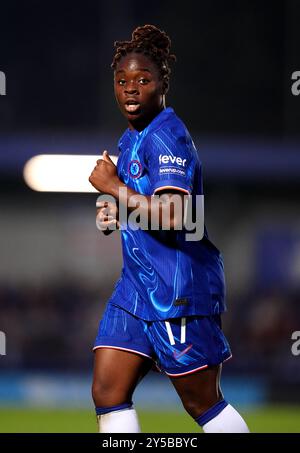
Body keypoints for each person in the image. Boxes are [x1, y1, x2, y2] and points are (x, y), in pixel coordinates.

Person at [89, 24, 249, 433]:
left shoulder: (167, 138)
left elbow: (176, 214)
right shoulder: (130, 140)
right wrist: (111, 211)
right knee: (108, 390)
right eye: (122, 80)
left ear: (163, 84)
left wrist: (113, 187)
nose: (130, 89)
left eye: (143, 80)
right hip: (136, 289)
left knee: (201, 402)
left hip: (178, 289)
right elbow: (135, 205)